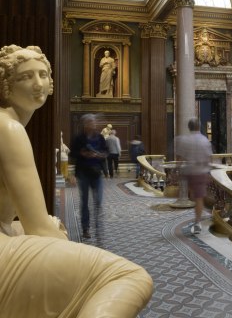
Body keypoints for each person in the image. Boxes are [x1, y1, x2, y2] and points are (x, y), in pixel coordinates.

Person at [0, 44, 153, 317]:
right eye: (26, 77)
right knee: (128, 276)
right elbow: (38, 227)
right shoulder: (8, 127)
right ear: (6, 85)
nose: (38, 83)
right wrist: (57, 240)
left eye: (43, 75)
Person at [70, 113, 108, 239]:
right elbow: (73, 153)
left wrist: (100, 155)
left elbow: (105, 152)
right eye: (90, 122)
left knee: (98, 202)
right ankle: (86, 228)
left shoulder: (100, 138)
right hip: (83, 173)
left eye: (94, 122)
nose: (93, 124)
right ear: (85, 124)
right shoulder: (79, 138)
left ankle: (98, 228)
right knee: (84, 202)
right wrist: (83, 154)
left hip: (97, 173)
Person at [175, 118, 213, 235]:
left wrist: (177, 171)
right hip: (200, 172)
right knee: (198, 198)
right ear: (199, 127)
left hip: (188, 172)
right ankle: (197, 222)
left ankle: (197, 214)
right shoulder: (205, 140)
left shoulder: (184, 140)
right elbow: (209, 158)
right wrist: (209, 172)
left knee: (194, 196)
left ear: (189, 127)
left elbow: (180, 158)